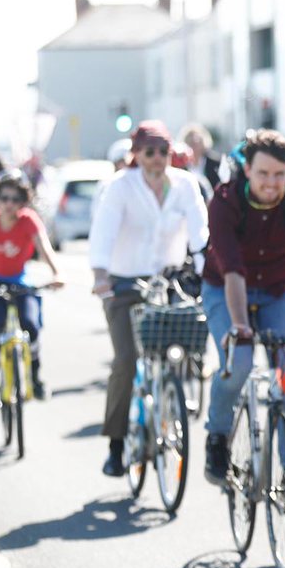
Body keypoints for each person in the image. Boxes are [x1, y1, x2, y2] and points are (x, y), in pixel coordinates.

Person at [199, 129, 285, 484]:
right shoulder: (225, 200)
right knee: (239, 362)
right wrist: (241, 326)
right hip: (225, 289)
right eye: (263, 173)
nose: (272, 183)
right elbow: (231, 270)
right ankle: (217, 438)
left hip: (278, 289)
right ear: (246, 170)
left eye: (279, 174)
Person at [89, 120, 209, 477]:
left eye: (163, 151)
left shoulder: (186, 184)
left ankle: (172, 397)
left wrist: (206, 270)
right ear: (136, 154)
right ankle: (115, 444)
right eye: (149, 152)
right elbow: (104, 231)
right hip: (123, 281)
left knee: (183, 343)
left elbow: (200, 232)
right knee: (126, 359)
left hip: (170, 280)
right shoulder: (120, 187)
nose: (157, 159)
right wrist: (100, 274)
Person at [0, 172, 63, 411]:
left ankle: (35, 379)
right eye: (4, 198)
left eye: (16, 199)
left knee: (31, 324)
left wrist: (57, 273)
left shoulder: (29, 221)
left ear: (23, 201)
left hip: (20, 280)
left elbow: (45, 249)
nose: (9, 204)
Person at [180, 123, 224, 192]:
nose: (194, 147)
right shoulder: (181, 165)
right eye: (191, 143)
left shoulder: (215, 162)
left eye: (197, 142)